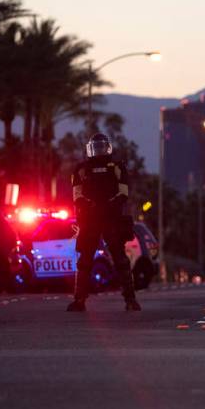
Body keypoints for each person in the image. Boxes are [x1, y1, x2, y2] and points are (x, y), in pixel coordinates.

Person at [68, 133, 140, 312]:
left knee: (120, 260)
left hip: (111, 219)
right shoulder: (81, 169)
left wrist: (107, 206)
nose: (99, 150)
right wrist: (92, 206)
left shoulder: (117, 167)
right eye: (96, 146)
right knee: (84, 261)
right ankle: (79, 300)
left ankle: (130, 300)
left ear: (107, 147)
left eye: (101, 146)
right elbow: (77, 196)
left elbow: (123, 193)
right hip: (90, 220)